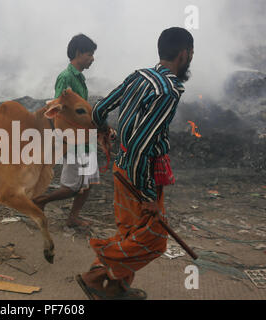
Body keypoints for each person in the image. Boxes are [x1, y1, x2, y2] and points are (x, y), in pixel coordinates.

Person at [76, 27, 194, 300]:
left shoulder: (139, 76)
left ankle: (115, 287)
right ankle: (95, 274)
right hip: (140, 174)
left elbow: (99, 109)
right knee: (153, 240)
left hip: (122, 167)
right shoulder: (168, 90)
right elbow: (143, 145)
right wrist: (149, 195)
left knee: (131, 232)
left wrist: (105, 131)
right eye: (191, 54)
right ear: (184, 53)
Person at [33, 34, 100, 228]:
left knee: (89, 182)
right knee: (71, 186)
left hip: (87, 139)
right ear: (79, 53)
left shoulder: (80, 78)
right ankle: (41, 201)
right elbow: (57, 111)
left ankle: (73, 217)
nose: (92, 58)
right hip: (74, 141)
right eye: (90, 54)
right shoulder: (66, 77)